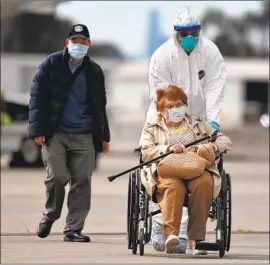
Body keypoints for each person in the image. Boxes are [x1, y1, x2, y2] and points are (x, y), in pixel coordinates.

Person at [146, 6, 227, 254]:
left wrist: (212, 120)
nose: (189, 37)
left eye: (193, 32)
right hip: (168, 115)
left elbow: (215, 86)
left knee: (197, 176)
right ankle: (161, 227)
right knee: (167, 174)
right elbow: (162, 94)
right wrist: (171, 118)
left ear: (199, 32)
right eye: (184, 33)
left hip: (200, 120)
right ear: (176, 34)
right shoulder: (163, 56)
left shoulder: (210, 52)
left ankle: (185, 236)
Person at [28, 24, 110, 242]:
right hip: (56, 133)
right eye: (75, 41)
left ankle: (73, 229)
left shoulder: (94, 71)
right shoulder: (50, 64)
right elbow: (37, 99)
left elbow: (100, 106)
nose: (79, 45)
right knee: (58, 177)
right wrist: (38, 130)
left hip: (84, 134)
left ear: (88, 45)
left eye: (83, 42)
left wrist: (104, 137)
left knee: (82, 181)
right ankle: (50, 214)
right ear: (67, 43)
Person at [139, 85, 232, 254]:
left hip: (196, 168)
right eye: (171, 106)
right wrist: (167, 149)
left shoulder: (199, 124)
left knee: (204, 183)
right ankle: (172, 236)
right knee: (173, 187)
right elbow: (145, 151)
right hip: (168, 168)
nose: (176, 109)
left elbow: (225, 141)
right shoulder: (152, 128)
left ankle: (195, 239)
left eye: (180, 105)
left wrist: (208, 147)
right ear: (160, 108)